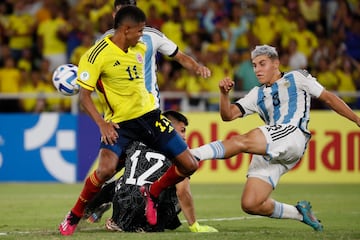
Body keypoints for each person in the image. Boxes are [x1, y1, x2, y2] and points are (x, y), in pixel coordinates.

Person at [58, 6, 199, 236]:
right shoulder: (95, 55)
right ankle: (74, 214)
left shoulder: (140, 47)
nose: (142, 36)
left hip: (150, 118)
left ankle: (152, 193)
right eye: (140, 31)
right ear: (125, 29)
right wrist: (102, 124)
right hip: (119, 124)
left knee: (190, 164)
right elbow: (84, 96)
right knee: (105, 171)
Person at [190, 45, 360, 232]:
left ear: (276, 63)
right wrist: (224, 94)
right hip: (274, 146)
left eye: (262, 64)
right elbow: (228, 115)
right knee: (251, 203)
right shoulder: (257, 94)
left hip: (292, 134)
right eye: (254, 65)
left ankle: (193, 155)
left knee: (242, 141)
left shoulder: (297, 78)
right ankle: (298, 212)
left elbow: (328, 98)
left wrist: (357, 119)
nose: (257, 70)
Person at [84, 110, 218, 232]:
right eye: (182, 130)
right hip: (147, 212)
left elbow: (112, 169)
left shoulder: (136, 142)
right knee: (173, 186)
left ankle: (86, 214)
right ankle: (147, 225)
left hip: (122, 206)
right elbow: (183, 191)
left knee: (122, 182)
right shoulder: (178, 154)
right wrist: (194, 225)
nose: (184, 136)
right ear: (167, 127)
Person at [103, 0, 211, 110]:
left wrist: (197, 67)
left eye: (130, 12)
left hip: (149, 108)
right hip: (119, 110)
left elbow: (180, 57)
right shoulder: (104, 41)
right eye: (122, 13)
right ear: (114, 15)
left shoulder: (151, 35)